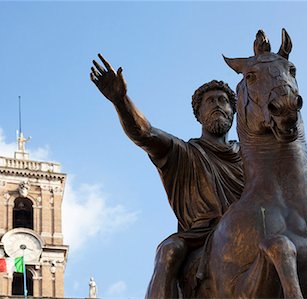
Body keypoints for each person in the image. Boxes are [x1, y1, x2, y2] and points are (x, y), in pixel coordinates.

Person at [90, 54, 244, 298]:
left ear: (233, 112)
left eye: (223, 101)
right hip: (200, 236)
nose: (217, 105)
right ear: (199, 114)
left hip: (248, 228)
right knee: (169, 251)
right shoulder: (182, 152)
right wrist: (121, 101)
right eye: (210, 101)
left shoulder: (250, 155)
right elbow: (145, 133)